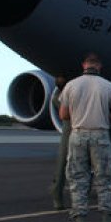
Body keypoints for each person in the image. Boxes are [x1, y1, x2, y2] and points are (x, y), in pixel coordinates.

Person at [58, 53, 111, 222]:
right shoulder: (108, 86)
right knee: (104, 178)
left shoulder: (71, 85)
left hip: (78, 135)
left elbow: (63, 115)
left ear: (83, 65)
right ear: (99, 66)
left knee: (78, 180)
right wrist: (104, 118)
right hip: (100, 135)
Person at [47, 74, 71, 210]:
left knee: (62, 164)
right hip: (78, 131)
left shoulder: (57, 97)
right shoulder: (62, 97)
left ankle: (57, 194)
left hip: (68, 132)